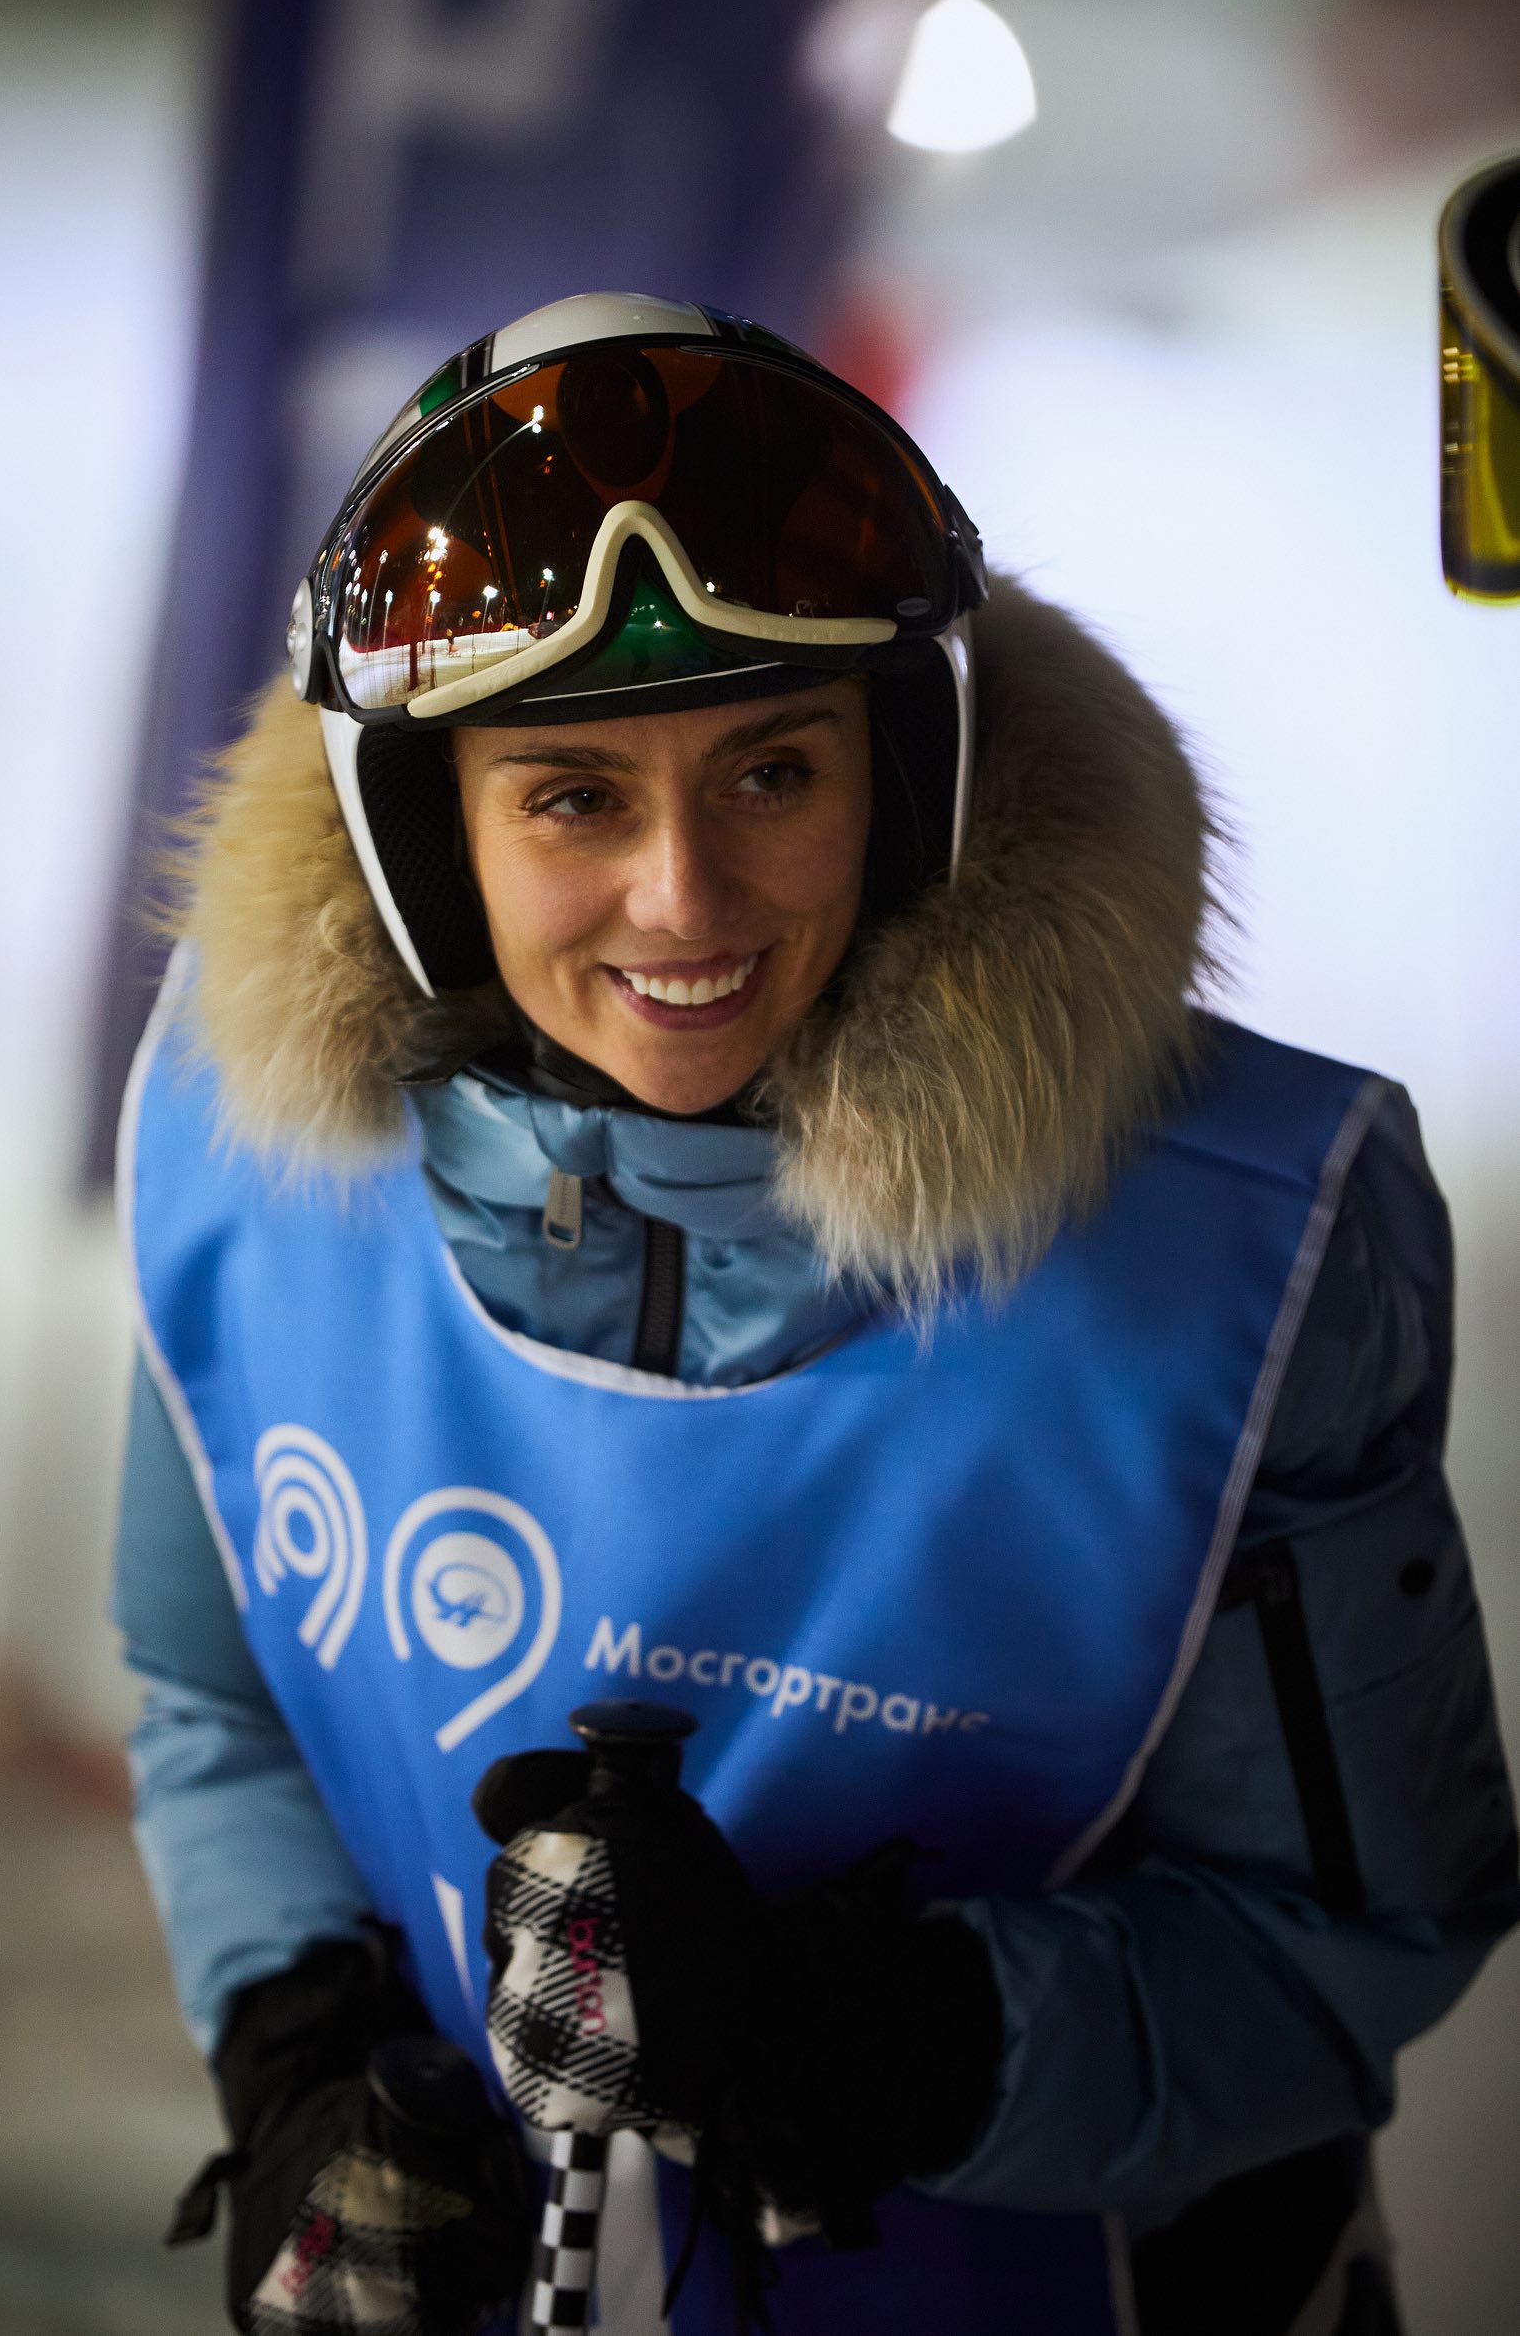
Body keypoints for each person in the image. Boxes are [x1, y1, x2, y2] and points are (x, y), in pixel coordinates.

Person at [114, 291, 1518, 2336]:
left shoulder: (1236, 1253)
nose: (686, 897)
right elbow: (216, 1704)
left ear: (911, 773)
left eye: (773, 769)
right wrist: (303, 2047)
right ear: (425, 839)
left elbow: (1351, 1936)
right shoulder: (249, 1147)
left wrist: (876, 2041)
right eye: (571, 796)